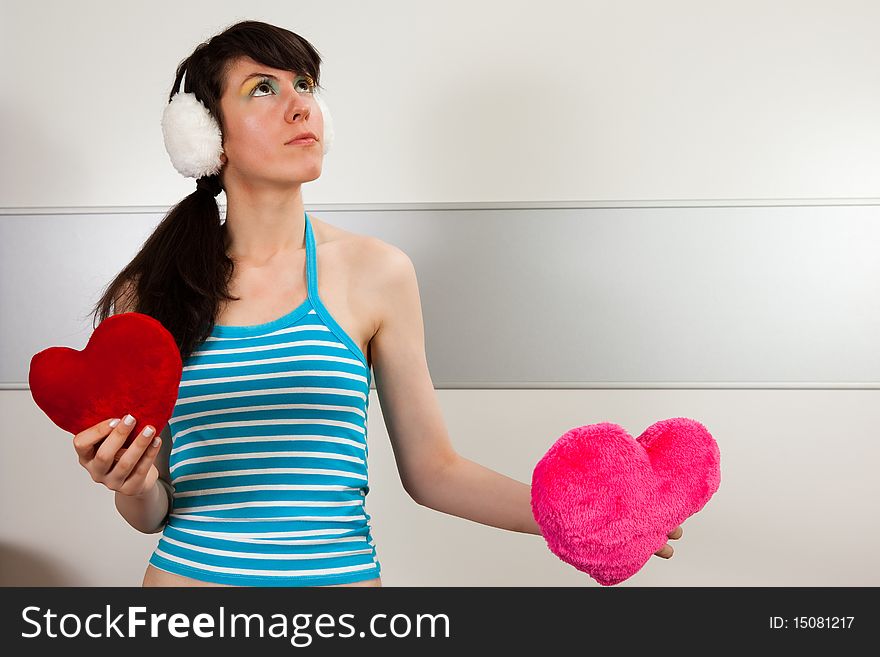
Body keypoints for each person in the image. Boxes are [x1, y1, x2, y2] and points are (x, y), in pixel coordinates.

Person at [73, 20, 682, 587]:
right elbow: (152, 512)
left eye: (305, 85)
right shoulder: (153, 290)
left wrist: (582, 515)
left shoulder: (377, 273)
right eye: (262, 88)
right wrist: (132, 482)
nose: (299, 104)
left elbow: (433, 472)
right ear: (207, 136)